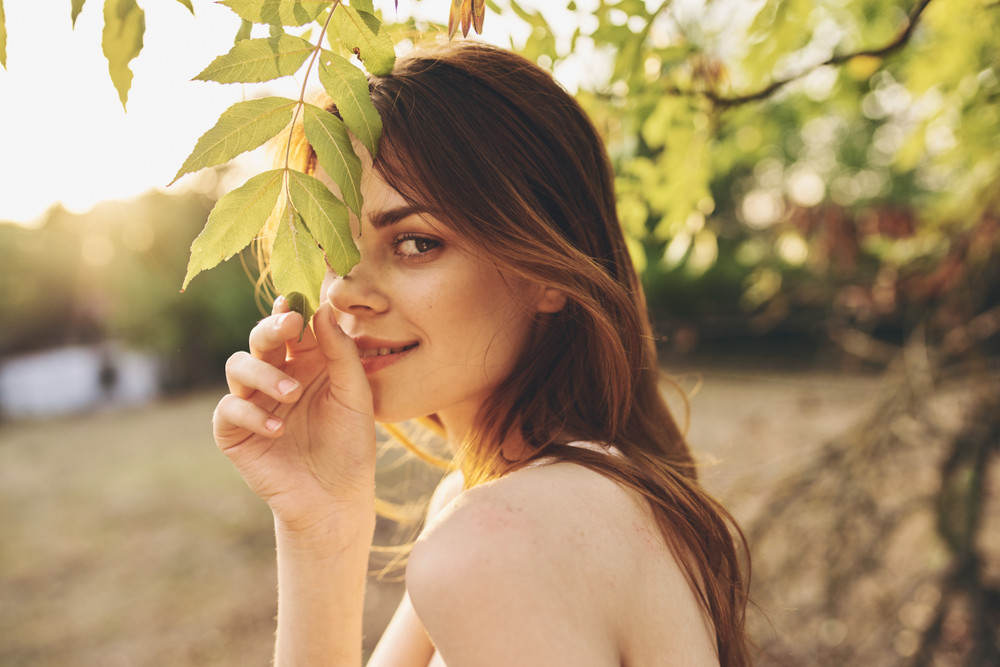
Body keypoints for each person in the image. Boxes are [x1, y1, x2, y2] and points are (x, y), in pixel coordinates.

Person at [213, 41, 751, 666]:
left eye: (415, 243)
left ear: (549, 271)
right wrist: (318, 524)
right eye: (332, 245)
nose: (346, 293)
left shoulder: (498, 542)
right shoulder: (516, 499)